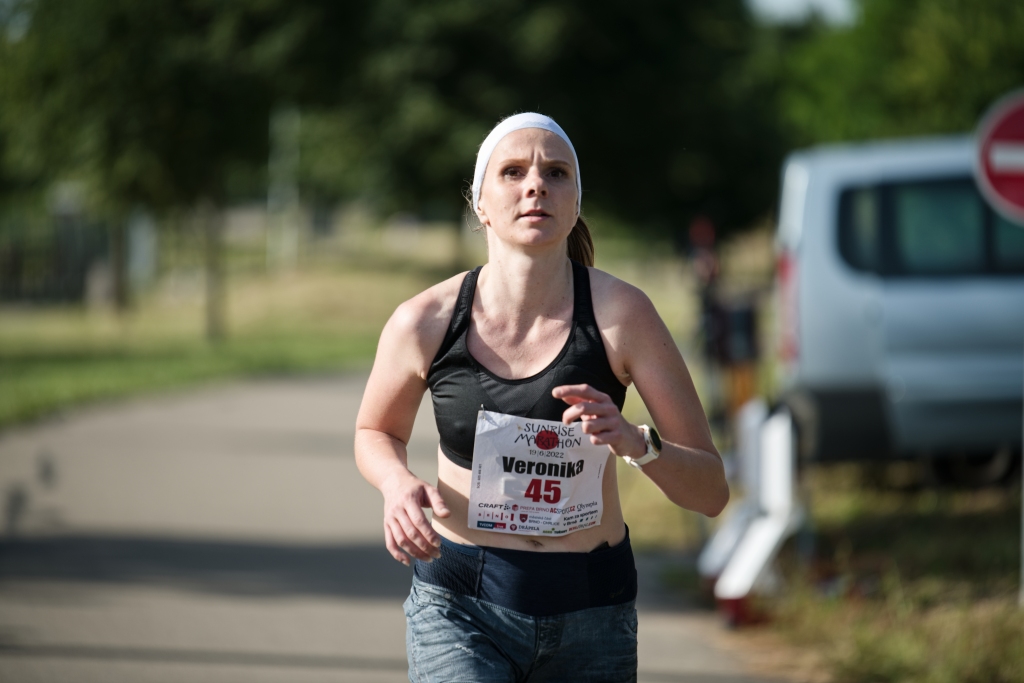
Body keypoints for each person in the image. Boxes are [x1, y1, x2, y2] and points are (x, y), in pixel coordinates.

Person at [355, 112, 729, 683]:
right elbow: (375, 431)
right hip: (460, 607)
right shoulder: (424, 320)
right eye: (512, 172)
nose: (536, 185)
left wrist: (635, 442)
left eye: (556, 172)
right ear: (480, 203)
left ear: (576, 202)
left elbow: (710, 491)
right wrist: (395, 483)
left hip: (592, 610)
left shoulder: (624, 316)